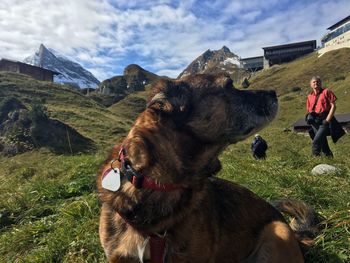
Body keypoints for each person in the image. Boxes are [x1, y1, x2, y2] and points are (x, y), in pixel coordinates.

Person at [306, 76, 345, 157]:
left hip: (325, 119)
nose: (316, 83)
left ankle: (315, 159)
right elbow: (309, 110)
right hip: (315, 122)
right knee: (323, 142)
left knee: (316, 141)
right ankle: (329, 158)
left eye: (318, 82)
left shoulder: (326, 92)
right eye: (314, 82)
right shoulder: (309, 96)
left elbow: (333, 106)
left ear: (321, 83)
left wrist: (327, 120)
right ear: (311, 85)